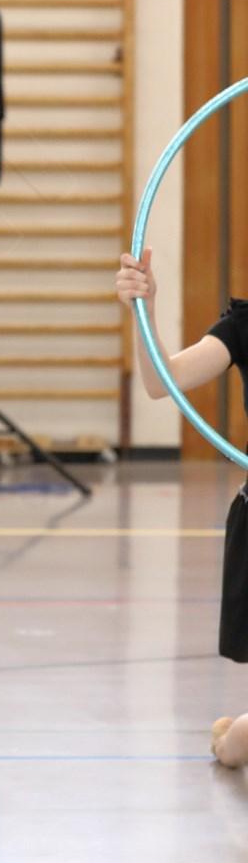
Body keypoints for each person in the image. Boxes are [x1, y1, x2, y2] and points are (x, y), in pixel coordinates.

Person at [115, 248, 246, 763]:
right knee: (239, 745)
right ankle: (235, 741)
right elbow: (159, 381)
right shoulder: (245, 326)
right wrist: (144, 309)